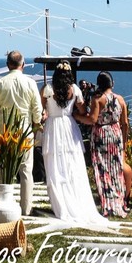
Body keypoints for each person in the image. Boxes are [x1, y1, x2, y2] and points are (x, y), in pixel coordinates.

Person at [41, 63, 107, 225]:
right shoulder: (75, 89)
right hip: (69, 126)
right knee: (72, 166)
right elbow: (83, 111)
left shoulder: (47, 89)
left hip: (53, 127)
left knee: (55, 166)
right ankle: (75, 199)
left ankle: (60, 205)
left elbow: (42, 110)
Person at [0, 50, 43, 216]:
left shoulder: (0, 82)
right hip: (25, 130)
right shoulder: (30, 83)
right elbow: (37, 108)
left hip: (5, 130)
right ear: (23, 65)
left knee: (4, 169)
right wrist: (37, 123)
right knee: (26, 170)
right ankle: (26, 208)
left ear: (7, 64)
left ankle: (3, 203)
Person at [85, 71, 130, 218]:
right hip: (116, 134)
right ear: (112, 83)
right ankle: (120, 201)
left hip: (101, 135)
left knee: (103, 168)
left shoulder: (97, 99)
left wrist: (77, 117)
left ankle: (108, 203)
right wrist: (123, 142)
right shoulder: (121, 99)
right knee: (116, 169)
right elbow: (125, 123)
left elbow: (92, 119)